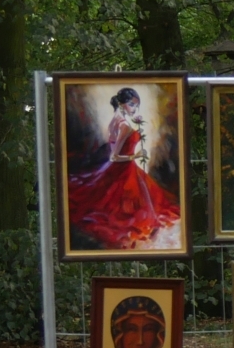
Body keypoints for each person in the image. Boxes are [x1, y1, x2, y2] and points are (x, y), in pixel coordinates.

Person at [66, 86, 180, 250]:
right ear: (122, 104)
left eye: (136, 105)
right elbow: (114, 156)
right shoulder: (124, 125)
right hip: (123, 169)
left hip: (124, 169)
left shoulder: (116, 121)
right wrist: (136, 156)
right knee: (133, 206)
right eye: (131, 104)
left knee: (146, 198)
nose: (134, 108)